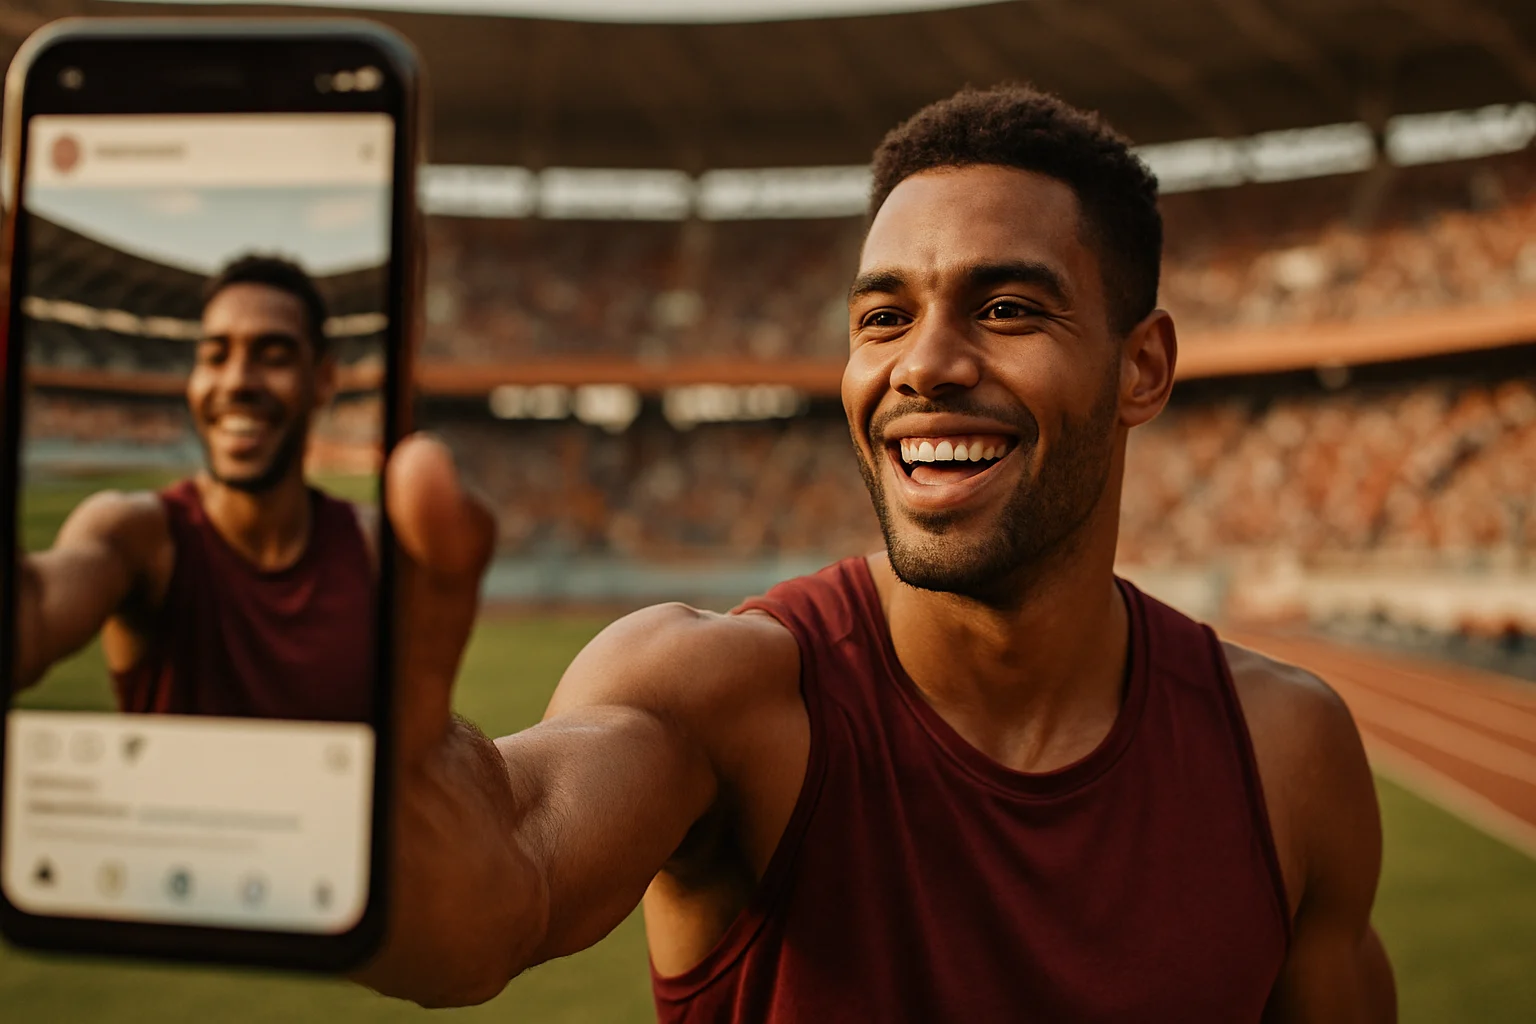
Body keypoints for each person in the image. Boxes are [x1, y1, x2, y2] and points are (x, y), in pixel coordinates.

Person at [368, 85, 1396, 1021]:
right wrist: (378, 769)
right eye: (884, 316)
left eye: (1005, 310)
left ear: (1143, 367)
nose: (925, 364)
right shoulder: (716, 695)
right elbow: (496, 891)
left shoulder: (1289, 754)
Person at [14, 255, 377, 721]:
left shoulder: (373, 548)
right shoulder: (138, 534)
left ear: (324, 379)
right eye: (215, 356)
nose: (238, 381)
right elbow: (33, 617)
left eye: (274, 356)